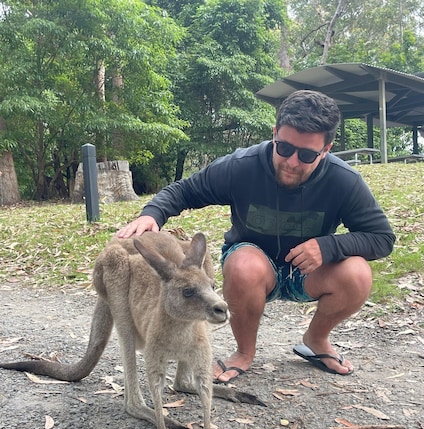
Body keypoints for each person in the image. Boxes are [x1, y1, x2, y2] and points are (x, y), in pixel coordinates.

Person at [118, 89, 395, 381]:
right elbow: (184, 190)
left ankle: (316, 340)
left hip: (309, 271)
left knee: (358, 273)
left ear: (326, 149)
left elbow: (381, 238)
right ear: (274, 133)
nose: (292, 161)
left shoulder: (344, 181)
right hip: (252, 265)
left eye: (307, 155)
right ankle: (244, 352)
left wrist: (328, 246)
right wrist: (152, 214)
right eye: (285, 148)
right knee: (243, 264)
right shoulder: (242, 166)